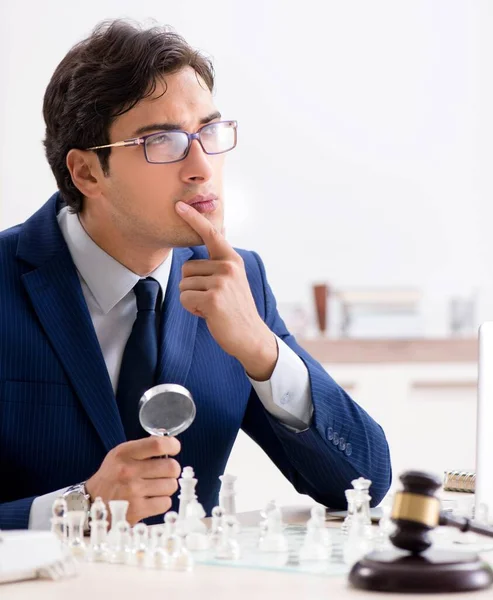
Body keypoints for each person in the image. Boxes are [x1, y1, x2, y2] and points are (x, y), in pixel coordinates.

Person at [0, 20, 391, 530]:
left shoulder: (237, 277)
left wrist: (262, 349)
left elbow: (362, 482)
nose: (202, 166)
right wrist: (76, 507)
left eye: (208, 131)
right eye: (161, 141)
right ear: (87, 173)